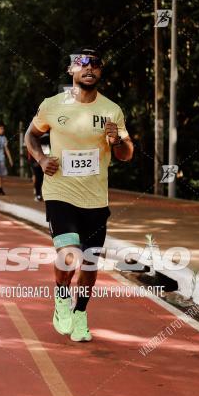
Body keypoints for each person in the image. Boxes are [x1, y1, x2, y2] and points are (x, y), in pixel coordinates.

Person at [25, 47, 134, 343]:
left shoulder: (112, 111)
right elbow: (31, 135)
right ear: (70, 71)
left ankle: (80, 311)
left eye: (95, 63)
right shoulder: (52, 105)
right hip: (60, 192)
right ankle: (62, 297)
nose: (88, 67)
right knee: (70, 255)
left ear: (100, 71)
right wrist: (41, 158)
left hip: (96, 199)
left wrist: (116, 141)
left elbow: (126, 154)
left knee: (89, 264)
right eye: (81, 62)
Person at [28, 132, 50, 201]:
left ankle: (43, 193)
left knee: (44, 178)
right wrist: (35, 160)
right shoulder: (33, 135)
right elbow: (31, 149)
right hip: (36, 160)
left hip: (46, 160)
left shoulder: (48, 136)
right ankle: (38, 194)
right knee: (38, 178)